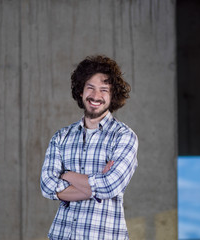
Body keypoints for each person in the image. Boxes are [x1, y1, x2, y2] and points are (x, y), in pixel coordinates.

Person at [40, 55, 138, 240]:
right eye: (90, 88)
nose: (96, 96)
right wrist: (96, 184)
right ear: (80, 91)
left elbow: (110, 186)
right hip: (62, 235)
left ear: (113, 95)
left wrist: (65, 175)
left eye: (104, 90)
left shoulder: (123, 136)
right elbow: (46, 186)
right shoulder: (61, 137)